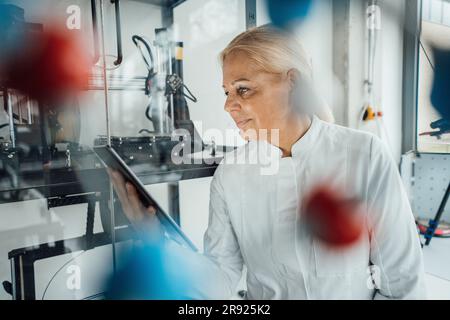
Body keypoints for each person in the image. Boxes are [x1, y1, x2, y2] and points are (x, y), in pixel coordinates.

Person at [109, 25, 426, 300]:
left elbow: (402, 281)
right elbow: (218, 279)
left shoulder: (364, 155)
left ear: (292, 82)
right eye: (227, 92)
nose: (229, 105)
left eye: (243, 89)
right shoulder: (231, 175)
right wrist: (155, 241)